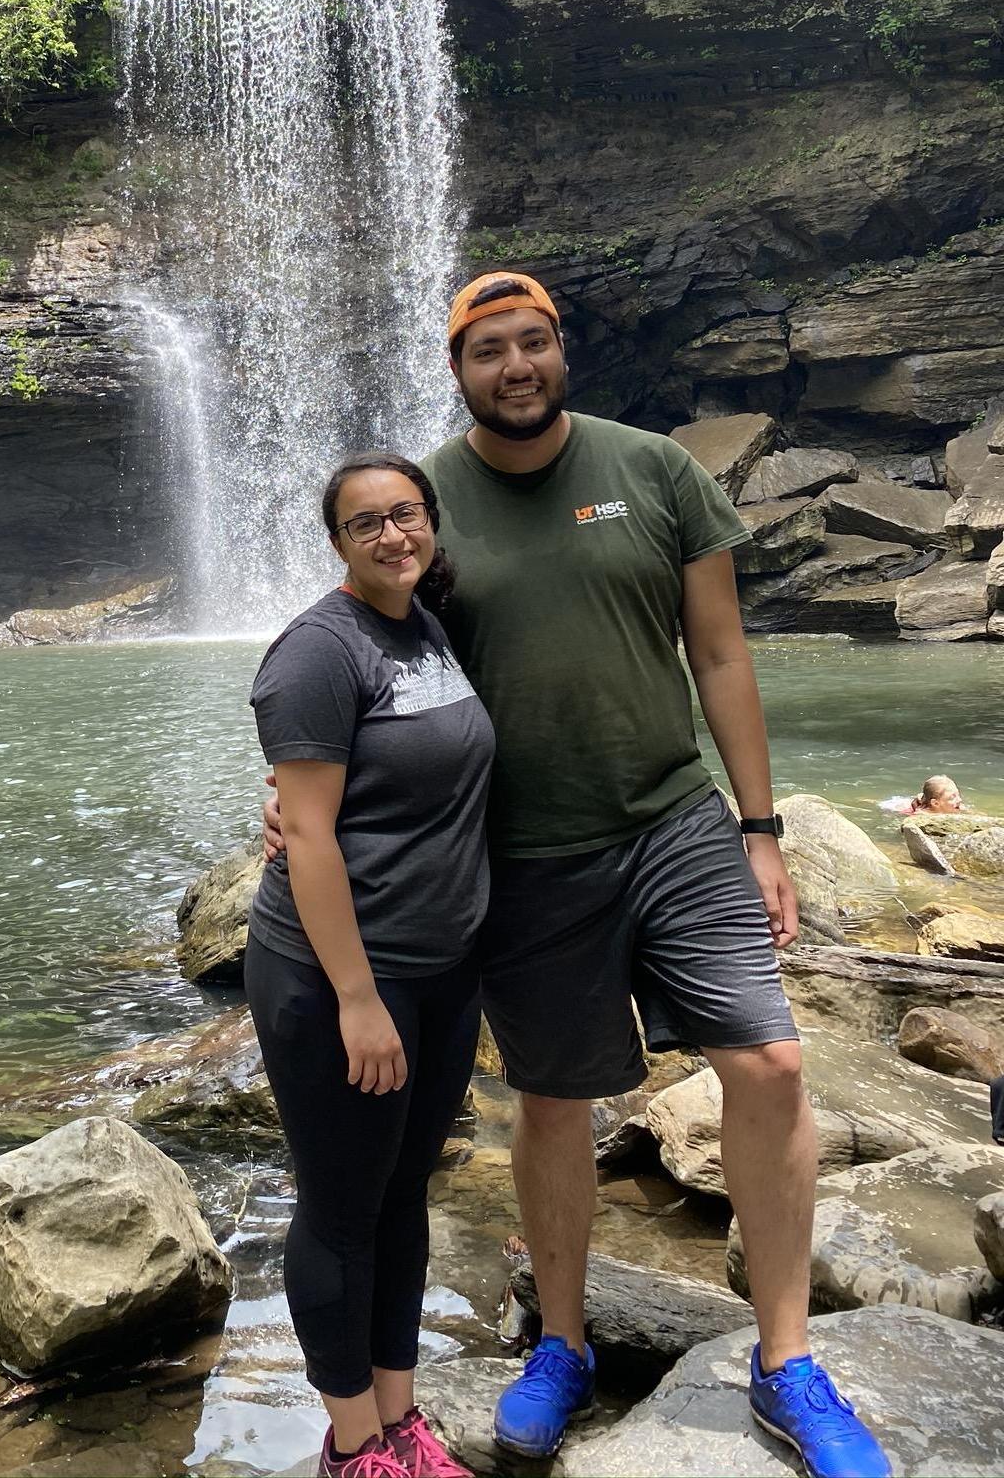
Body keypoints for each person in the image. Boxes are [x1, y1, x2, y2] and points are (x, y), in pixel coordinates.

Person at [266, 274, 890, 1478]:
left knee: (769, 1062)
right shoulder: (421, 500)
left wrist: (762, 828)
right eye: (488, 349)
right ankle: (560, 1343)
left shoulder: (656, 470)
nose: (516, 366)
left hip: (674, 820)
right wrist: (295, 786)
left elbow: (720, 652)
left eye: (534, 342)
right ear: (458, 370)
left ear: (563, 350)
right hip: (522, 857)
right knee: (553, 1100)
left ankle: (788, 1359)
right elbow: (358, 647)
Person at [247, 453, 496, 1478]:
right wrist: (357, 999)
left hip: (440, 968)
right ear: (337, 542)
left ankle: (400, 1421)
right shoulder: (318, 650)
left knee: (403, 1196)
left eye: (407, 514)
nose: (393, 535)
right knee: (342, 1208)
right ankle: (353, 1447)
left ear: (431, 520)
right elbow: (307, 835)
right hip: (340, 974)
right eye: (366, 524)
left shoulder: (425, 621)